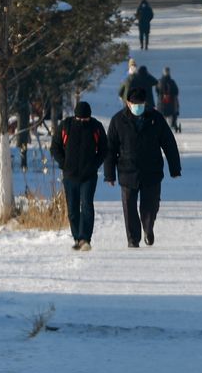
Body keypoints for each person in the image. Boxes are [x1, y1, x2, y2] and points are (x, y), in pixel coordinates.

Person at [105, 85, 182, 247]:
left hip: (151, 170)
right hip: (127, 171)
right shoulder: (118, 121)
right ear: (128, 103)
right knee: (129, 207)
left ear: (145, 103)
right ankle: (133, 240)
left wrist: (175, 168)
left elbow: (169, 143)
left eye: (141, 104)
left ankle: (148, 228)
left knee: (150, 205)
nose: (138, 106)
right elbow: (110, 149)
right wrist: (109, 174)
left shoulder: (156, 119)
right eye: (135, 103)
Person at [51, 101, 107, 251]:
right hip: (69, 176)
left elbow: (103, 149)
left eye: (86, 119)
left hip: (89, 176)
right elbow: (55, 147)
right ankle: (77, 238)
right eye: (80, 119)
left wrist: (94, 165)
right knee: (72, 210)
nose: (83, 122)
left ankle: (85, 238)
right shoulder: (65, 126)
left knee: (87, 205)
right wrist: (64, 163)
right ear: (75, 117)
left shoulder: (96, 127)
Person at [156, 67, 181, 134]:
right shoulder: (171, 82)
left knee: (161, 114)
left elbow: (157, 91)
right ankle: (173, 124)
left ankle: (162, 126)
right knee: (173, 112)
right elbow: (176, 92)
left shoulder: (160, 81)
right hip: (170, 104)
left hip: (162, 104)